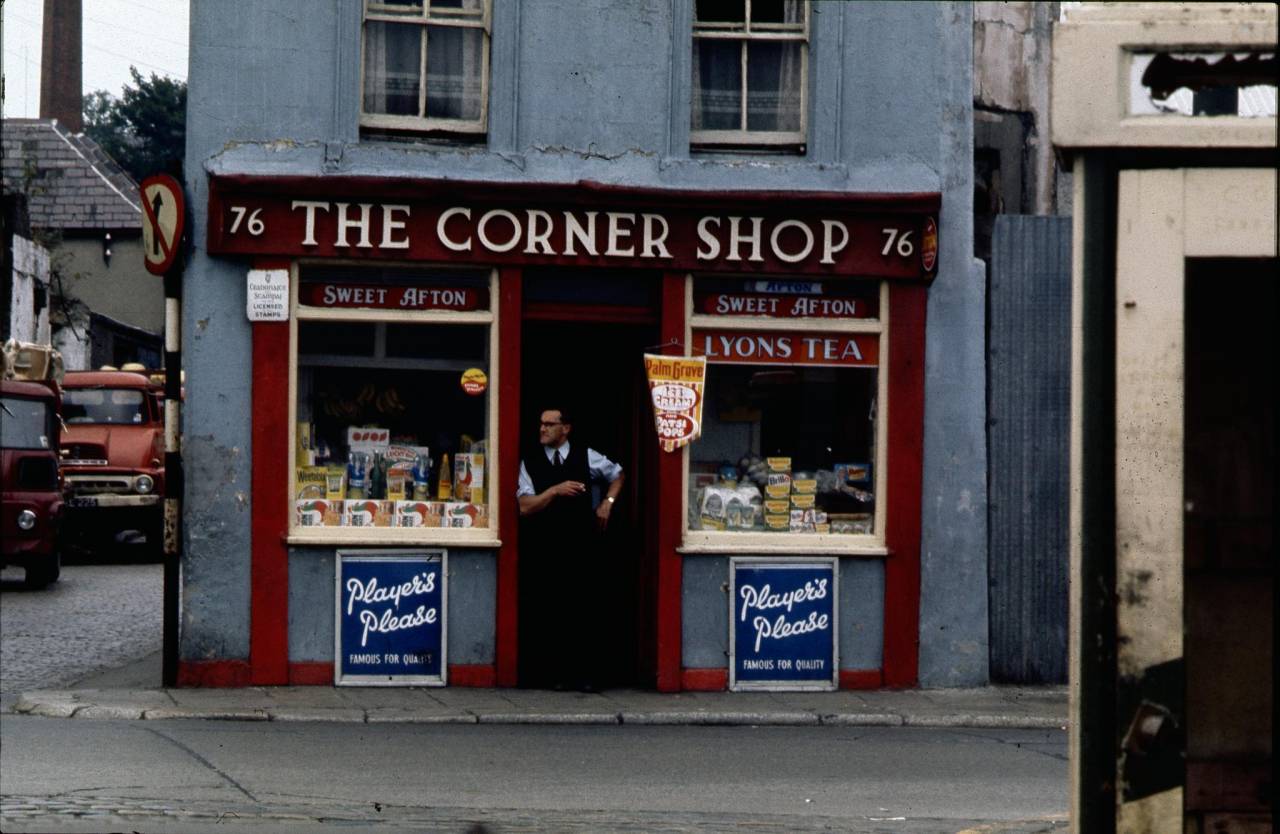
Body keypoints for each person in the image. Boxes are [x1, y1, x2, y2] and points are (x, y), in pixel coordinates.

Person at [517, 406, 624, 691]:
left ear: (565, 429)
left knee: (583, 610)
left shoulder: (586, 456)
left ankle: (585, 676)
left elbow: (618, 474)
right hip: (544, 548)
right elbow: (525, 507)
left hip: (580, 547)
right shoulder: (529, 461)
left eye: (549, 424)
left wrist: (607, 504)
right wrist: (554, 490)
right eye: (540, 424)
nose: (542, 429)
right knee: (549, 610)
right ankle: (553, 675)